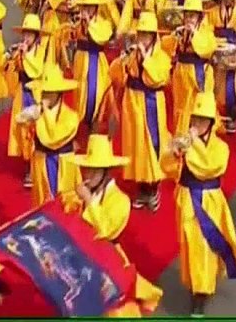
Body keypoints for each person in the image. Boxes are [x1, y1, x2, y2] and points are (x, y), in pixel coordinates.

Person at [160, 91, 236, 318]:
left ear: (211, 123)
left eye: (202, 120)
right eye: (195, 119)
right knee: (189, 245)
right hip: (186, 199)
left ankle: (200, 296)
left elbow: (208, 167)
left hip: (208, 200)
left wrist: (191, 145)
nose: (197, 124)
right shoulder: (185, 142)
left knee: (204, 246)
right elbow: (167, 169)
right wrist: (173, 154)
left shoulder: (220, 148)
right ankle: (195, 285)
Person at [64, 135, 164, 316]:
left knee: (116, 311)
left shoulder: (121, 200)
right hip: (84, 258)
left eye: (94, 171)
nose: (89, 175)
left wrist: (88, 200)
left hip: (109, 258)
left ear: (106, 171)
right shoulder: (78, 195)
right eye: (87, 170)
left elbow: (105, 230)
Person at [110, 11, 171, 210]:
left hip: (150, 102)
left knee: (151, 144)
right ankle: (141, 186)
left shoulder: (161, 57)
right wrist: (123, 60)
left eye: (146, 35)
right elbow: (117, 76)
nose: (142, 39)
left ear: (154, 37)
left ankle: (153, 187)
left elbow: (159, 79)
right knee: (135, 144)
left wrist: (145, 59)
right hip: (132, 102)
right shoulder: (132, 55)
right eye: (140, 35)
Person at [18, 65, 82, 206]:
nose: (44, 95)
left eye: (49, 92)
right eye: (44, 91)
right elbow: (20, 120)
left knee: (66, 203)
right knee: (42, 203)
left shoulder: (71, 117)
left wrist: (41, 111)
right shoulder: (37, 113)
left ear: (59, 93)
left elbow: (52, 138)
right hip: (41, 162)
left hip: (63, 163)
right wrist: (33, 112)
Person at [4, 13, 53, 189]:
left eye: (30, 34)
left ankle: (34, 168)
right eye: (25, 34)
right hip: (21, 91)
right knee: (21, 128)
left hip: (34, 93)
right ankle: (28, 163)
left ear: (36, 36)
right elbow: (11, 71)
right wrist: (10, 59)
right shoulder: (21, 51)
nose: (26, 37)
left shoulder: (40, 52)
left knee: (35, 129)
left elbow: (35, 71)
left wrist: (25, 56)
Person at [63, 0, 114, 139]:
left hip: (97, 61)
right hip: (81, 59)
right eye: (84, 7)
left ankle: (95, 126)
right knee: (80, 94)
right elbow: (68, 38)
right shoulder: (79, 23)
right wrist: (73, 27)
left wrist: (89, 24)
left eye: (90, 7)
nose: (87, 10)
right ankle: (79, 128)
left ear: (96, 7)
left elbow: (102, 37)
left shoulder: (104, 23)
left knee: (97, 94)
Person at [165, 0, 216, 135]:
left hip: (199, 73)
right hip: (181, 74)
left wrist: (194, 34)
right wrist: (174, 37)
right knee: (180, 108)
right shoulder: (180, 32)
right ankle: (180, 134)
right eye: (187, 15)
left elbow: (207, 50)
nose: (189, 20)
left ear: (199, 17)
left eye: (192, 16)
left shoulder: (206, 32)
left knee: (197, 106)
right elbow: (165, 49)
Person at [206, 0, 236, 134]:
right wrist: (215, 43)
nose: (229, 0)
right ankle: (215, 118)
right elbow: (207, 30)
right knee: (215, 87)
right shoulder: (212, 11)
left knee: (233, 89)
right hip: (217, 54)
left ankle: (232, 116)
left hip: (235, 54)